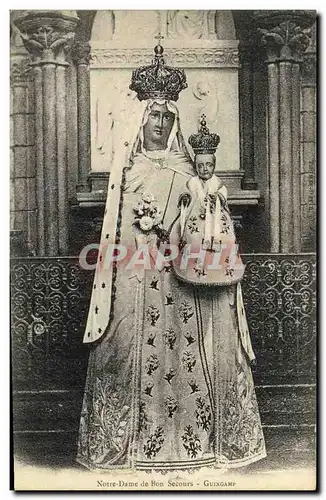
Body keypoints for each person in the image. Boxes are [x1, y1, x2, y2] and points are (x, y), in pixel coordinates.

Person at [76, 42, 266, 472]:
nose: (159, 124)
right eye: (153, 116)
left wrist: (185, 237)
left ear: (174, 121)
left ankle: (197, 444)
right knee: (124, 345)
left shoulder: (190, 170)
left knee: (197, 351)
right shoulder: (126, 172)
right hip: (136, 277)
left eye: (166, 116)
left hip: (185, 281)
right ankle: (130, 446)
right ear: (140, 120)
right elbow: (116, 231)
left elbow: (208, 223)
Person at [170, 115, 245, 286]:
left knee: (223, 240)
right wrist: (186, 198)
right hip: (196, 218)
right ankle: (195, 271)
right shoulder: (192, 182)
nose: (205, 169)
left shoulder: (217, 182)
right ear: (196, 167)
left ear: (214, 165)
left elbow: (222, 193)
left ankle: (220, 271)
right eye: (200, 166)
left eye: (208, 165)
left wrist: (217, 198)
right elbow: (186, 195)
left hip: (215, 219)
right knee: (194, 238)